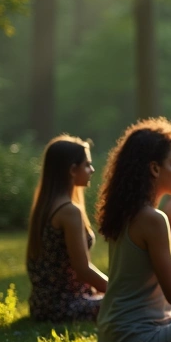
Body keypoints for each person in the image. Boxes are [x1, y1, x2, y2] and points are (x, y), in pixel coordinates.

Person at [95, 118, 171, 342]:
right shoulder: (152, 219)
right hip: (138, 338)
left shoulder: (127, 212)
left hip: (111, 336)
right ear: (154, 168)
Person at [26, 135, 108, 322]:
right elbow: (83, 270)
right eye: (87, 165)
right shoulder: (69, 211)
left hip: (42, 305)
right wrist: (119, 292)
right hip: (65, 307)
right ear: (72, 169)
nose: (92, 170)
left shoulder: (46, 206)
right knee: (139, 303)